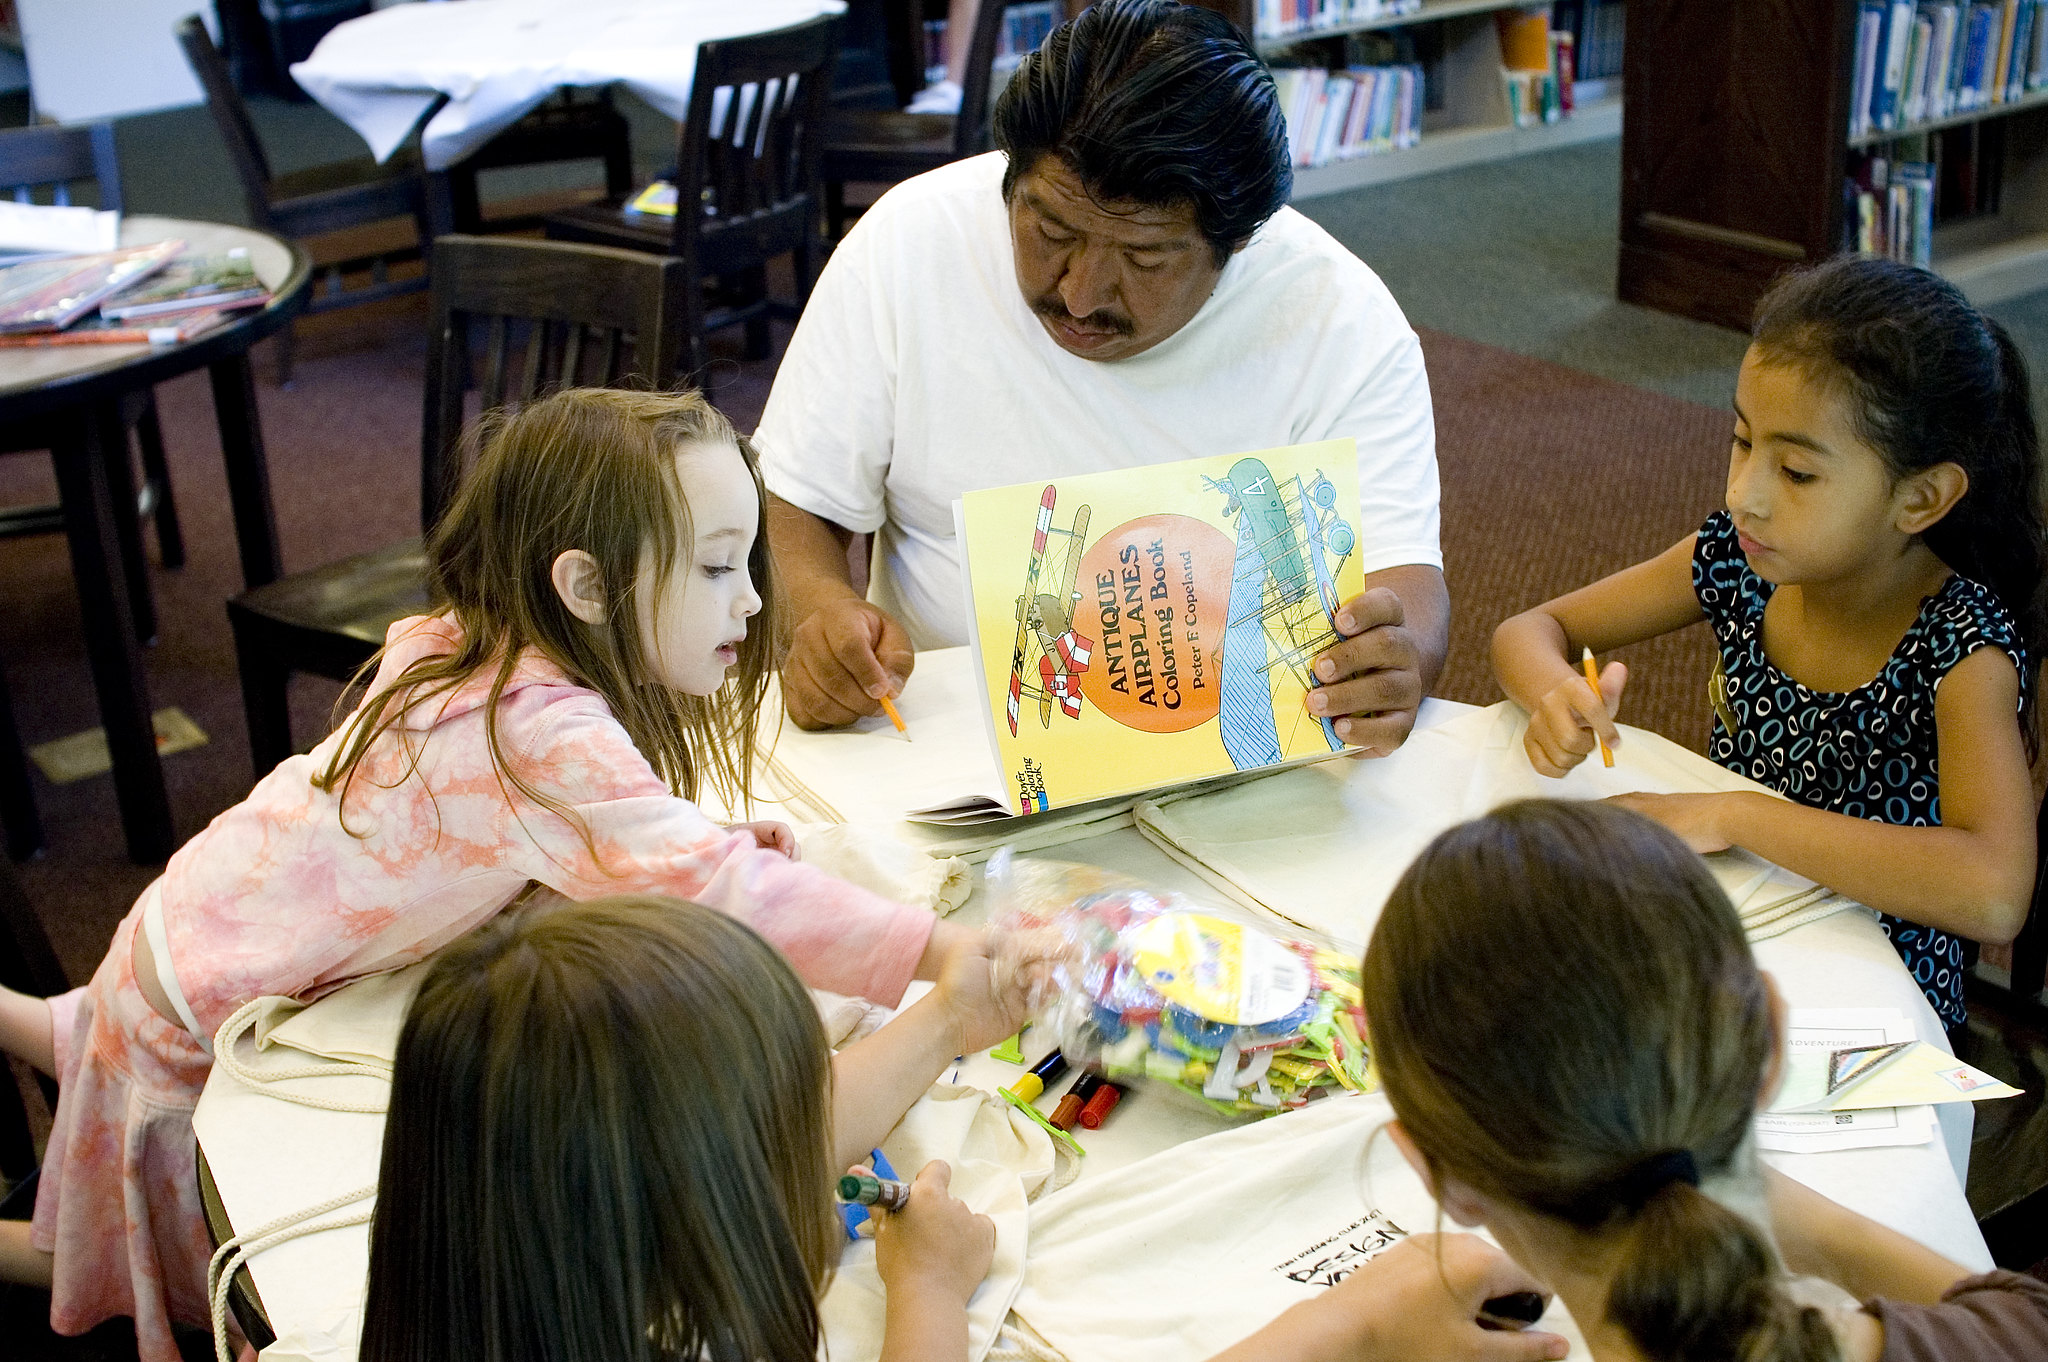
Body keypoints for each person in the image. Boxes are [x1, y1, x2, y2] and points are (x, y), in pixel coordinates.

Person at [0, 389, 1015, 1361]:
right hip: (198, 1009)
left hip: (178, 932)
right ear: (581, 587)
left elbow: (589, 847)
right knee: (117, 1263)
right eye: (714, 567)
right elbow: (713, 886)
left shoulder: (461, 640)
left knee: (94, 1040)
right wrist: (933, 948)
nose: (752, 598)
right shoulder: (536, 734)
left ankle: (51, 1032)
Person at [758, 0, 1448, 756]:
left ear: (1237, 243)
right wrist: (820, 611)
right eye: (1050, 231)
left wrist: (1395, 658)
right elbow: (800, 494)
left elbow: (1404, 575)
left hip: (1236, 756)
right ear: (1011, 181)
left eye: (1144, 260)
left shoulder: (1338, 319)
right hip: (946, 743)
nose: (1080, 294)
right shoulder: (909, 242)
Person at [1492, 255, 2042, 1029]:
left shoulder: (1960, 646)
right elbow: (1530, 629)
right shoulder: (1736, 559)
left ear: (1921, 497)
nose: (1743, 495)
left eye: (1797, 473)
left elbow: (1994, 891)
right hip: (1728, 939)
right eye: (1742, 442)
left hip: (1868, 1010)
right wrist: (1556, 693)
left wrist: (1735, 817)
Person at [1329, 799, 2048, 1362]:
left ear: (1433, 1170)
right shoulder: (2018, 1334)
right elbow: (2005, 1315)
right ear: (1769, 1039)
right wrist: (1734, 1188)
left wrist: (1343, 1336)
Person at [361, 893, 1010, 1362]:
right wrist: (930, 1289)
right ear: (683, 1208)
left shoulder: (477, 1258)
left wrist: (951, 1015)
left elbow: (748, 1129)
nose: (814, 1140)